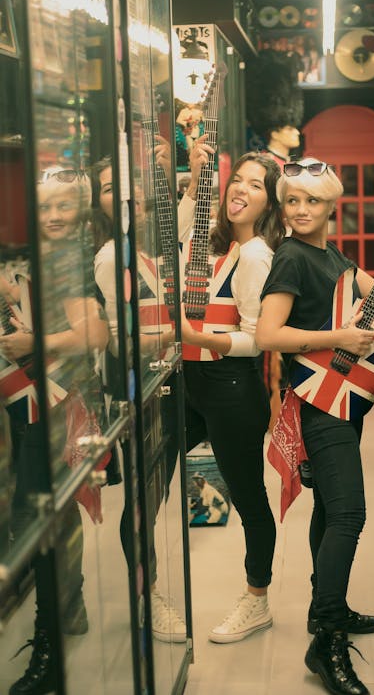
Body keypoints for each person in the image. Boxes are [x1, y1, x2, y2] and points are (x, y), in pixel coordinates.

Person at [255, 158, 374, 695]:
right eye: (292, 200)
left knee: (332, 508)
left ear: (332, 206)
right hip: (317, 399)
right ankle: (327, 640)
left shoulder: (328, 254)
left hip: (343, 398)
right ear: (283, 207)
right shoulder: (290, 258)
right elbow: (267, 334)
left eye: (312, 200)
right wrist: (334, 338)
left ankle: (323, 606)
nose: (301, 209)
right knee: (350, 512)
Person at [157, 136, 284, 643]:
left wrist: (198, 337)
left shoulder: (255, 254)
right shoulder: (214, 240)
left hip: (230, 386)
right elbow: (177, 234)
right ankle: (147, 594)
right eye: (238, 180)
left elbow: (258, 339)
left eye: (257, 186)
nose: (242, 191)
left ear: (269, 203)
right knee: (147, 488)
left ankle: (257, 600)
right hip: (184, 382)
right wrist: (195, 172)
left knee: (250, 498)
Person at [4, 167, 109, 695]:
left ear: (81, 209)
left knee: (35, 517)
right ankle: (69, 609)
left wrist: (32, 343)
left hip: (55, 403)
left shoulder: (69, 259)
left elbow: (94, 330)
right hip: (35, 403)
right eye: (44, 207)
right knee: (53, 514)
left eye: (63, 206)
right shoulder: (45, 259)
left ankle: (47, 642)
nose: (52, 216)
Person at [91, 155, 186, 644]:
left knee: (154, 494)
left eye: (131, 188)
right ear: (99, 202)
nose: (125, 198)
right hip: (134, 389)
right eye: (110, 189)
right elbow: (112, 339)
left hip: (160, 382)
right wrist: (174, 334)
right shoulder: (112, 257)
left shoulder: (145, 249)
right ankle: (146, 597)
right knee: (142, 501)